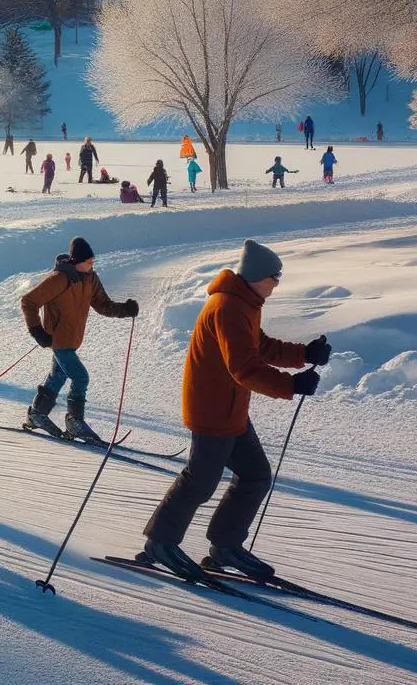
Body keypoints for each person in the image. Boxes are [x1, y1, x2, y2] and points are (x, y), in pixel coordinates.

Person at [139, 240, 329, 583]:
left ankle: (225, 546)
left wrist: (305, 353)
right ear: (257, 276)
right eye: (275, 277)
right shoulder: (228, 306)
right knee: (200, 482)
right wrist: (291, 386)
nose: (277, 284)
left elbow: (260, 346)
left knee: (255, 475)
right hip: (213, 409)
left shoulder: (245, 302)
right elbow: (243, 367)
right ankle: (160, 543)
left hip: (232, 409)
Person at [20, 237, 138, 443]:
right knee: (80, 377)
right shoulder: (59, 279)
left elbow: (103, 305)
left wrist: (125, 310)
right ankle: (75, 421)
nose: (92, 263)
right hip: (57, 340)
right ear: (77, 261)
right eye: (89, 260)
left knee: (58, 376)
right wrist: (37, 330)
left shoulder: (90, 278)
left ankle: (37, 413)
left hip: (72, 339)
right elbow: (28, 301)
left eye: (93, 260)